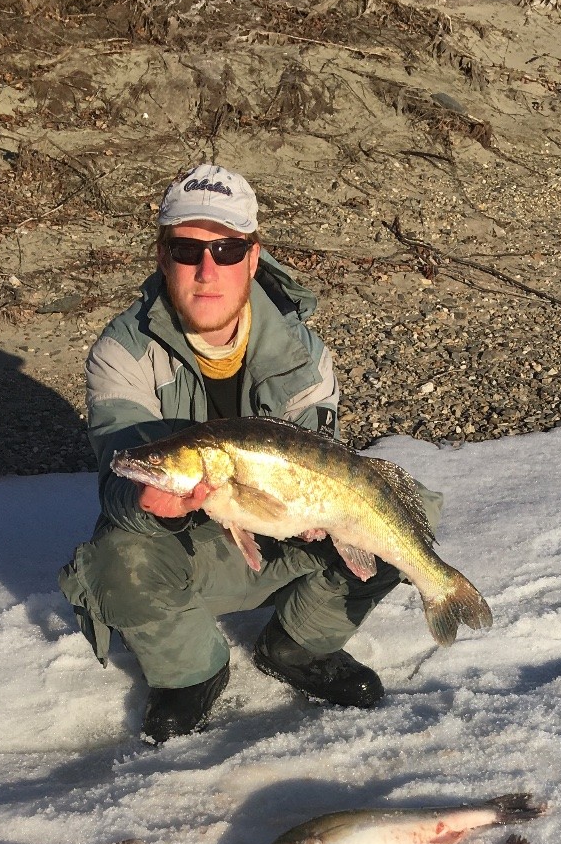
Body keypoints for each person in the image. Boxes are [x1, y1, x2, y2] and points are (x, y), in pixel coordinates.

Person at [59, 163, 442, 745]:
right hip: (189, 545)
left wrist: (321, 517)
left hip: (280, 530)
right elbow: (119, 474)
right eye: (187, 250)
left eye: (227, 249)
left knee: (404, 516)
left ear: (253, 256)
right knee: (118, 557)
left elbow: (323, 461)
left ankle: (299, 647)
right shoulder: (123, 352)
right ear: (162, 257)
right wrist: (148, 497)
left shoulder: (303, 353)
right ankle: (193, 675)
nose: (206, 269)